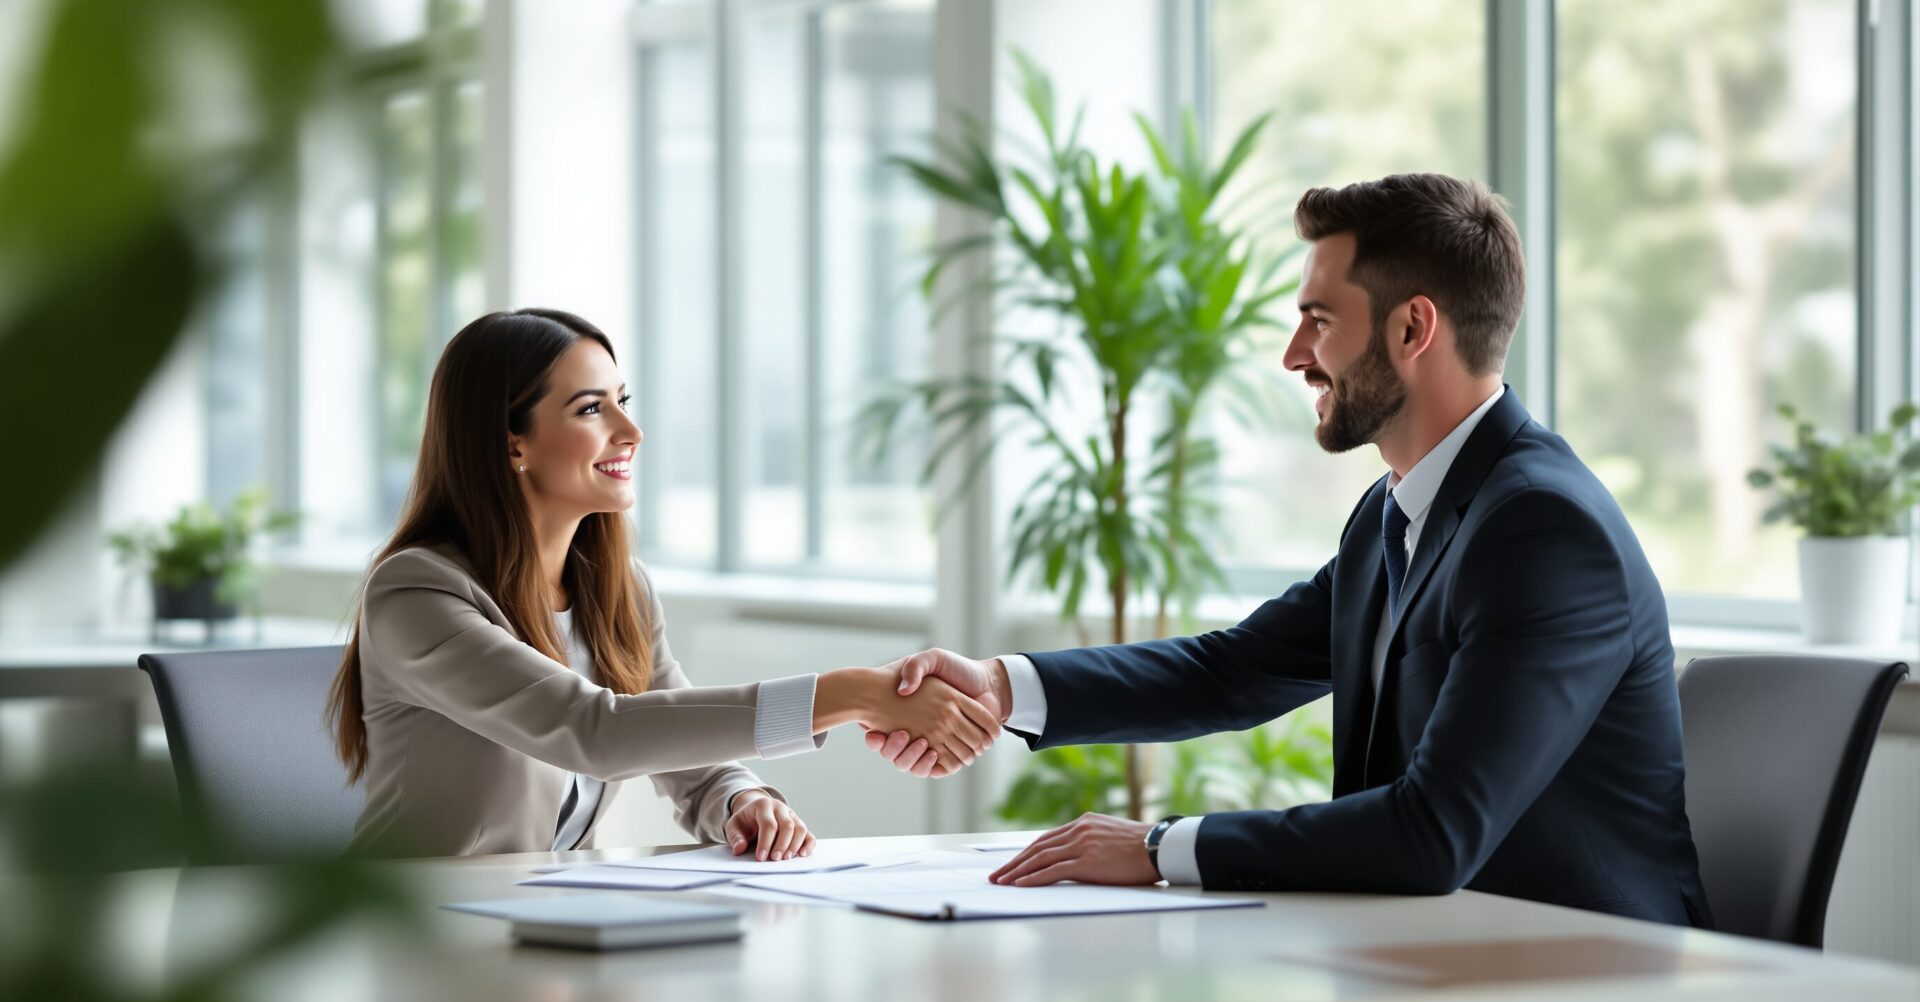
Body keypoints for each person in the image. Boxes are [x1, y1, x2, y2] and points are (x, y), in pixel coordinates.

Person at [872, 174, 1713, 927]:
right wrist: (999, 687)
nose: (1293, 355)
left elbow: (1432, 834)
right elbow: (1233, 671)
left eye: (1319, 320)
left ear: (1414, 326)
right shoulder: (1399, 512)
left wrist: (1161, 847)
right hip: (1433, 960)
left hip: (1583, 986)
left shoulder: (1542, 532)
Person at [328, 308, 998, 859]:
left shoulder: (616, 588)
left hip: (545, 921)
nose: (631, 431)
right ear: (513, 445)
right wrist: (850, 694)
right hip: (421, 942)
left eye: (622, 401)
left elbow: (687, 753)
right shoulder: (416, 595)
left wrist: (742, 800)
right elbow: (596, 732)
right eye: (592, 409)